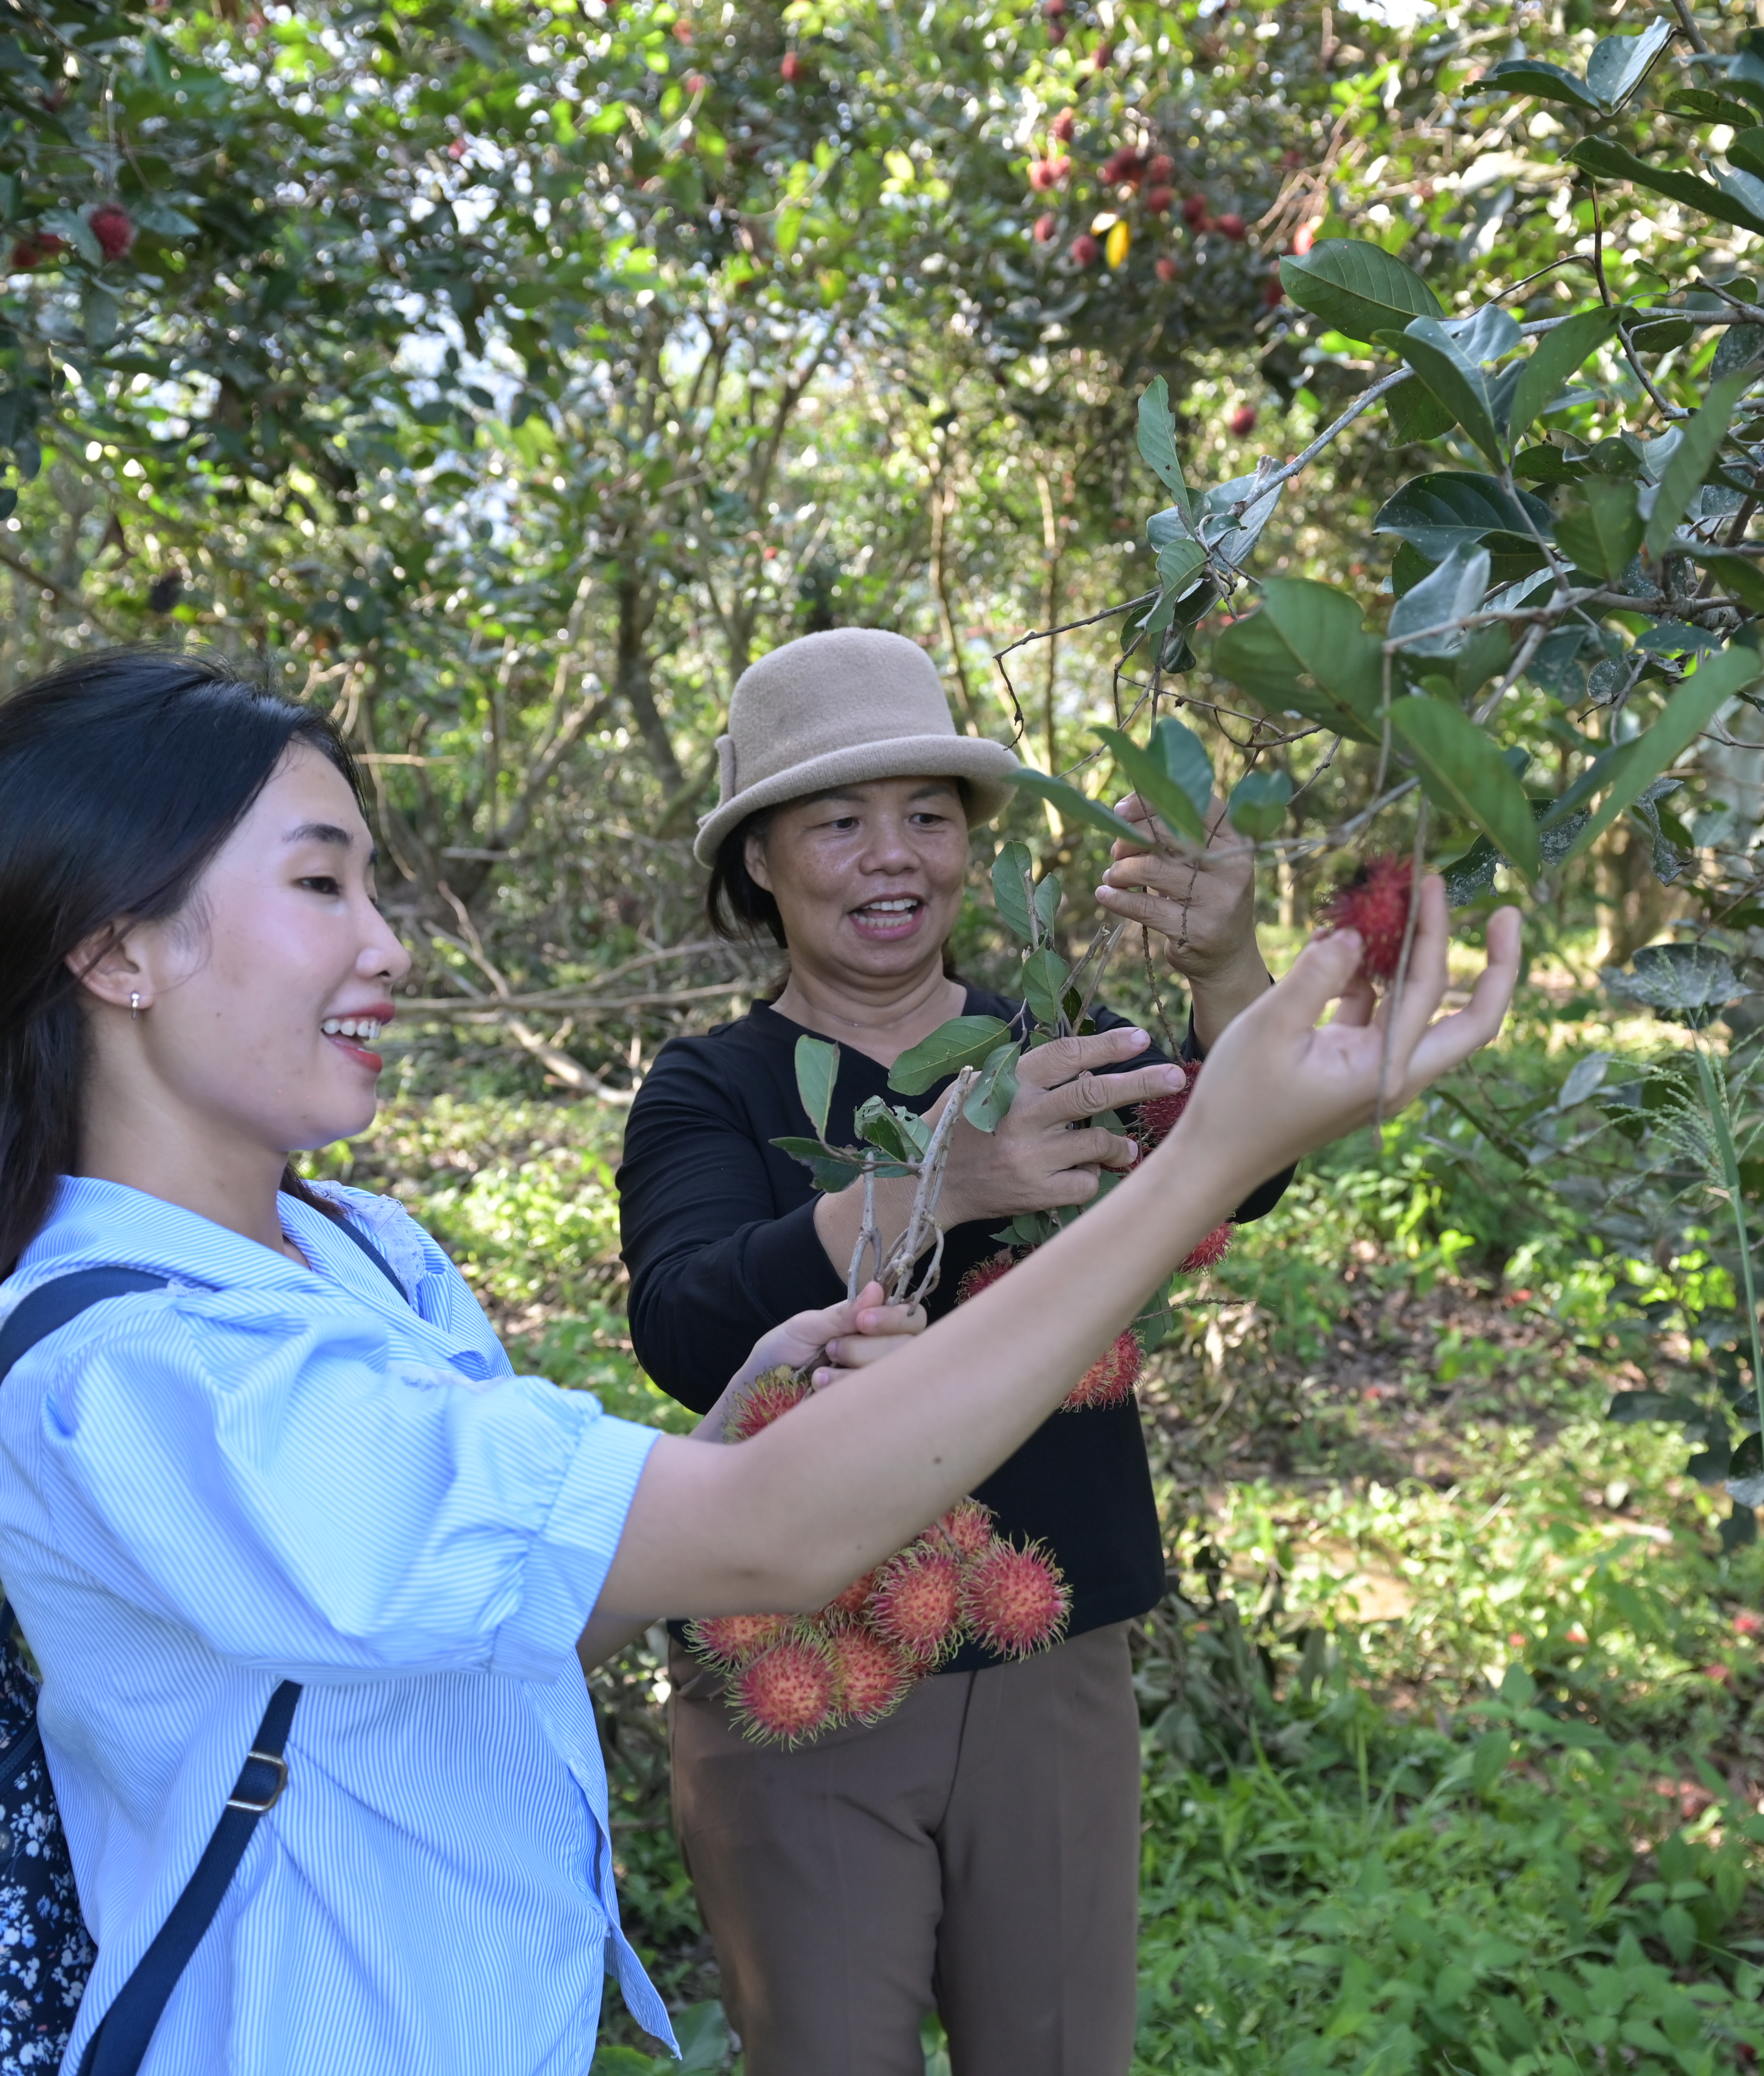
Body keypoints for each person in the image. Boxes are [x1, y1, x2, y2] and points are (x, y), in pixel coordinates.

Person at [0, 648, 1519, 2075]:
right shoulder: (157, 1376)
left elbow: (516, 1604)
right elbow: (760, 1514)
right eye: (321, 884)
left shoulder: (363, 1254)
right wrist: (1150, 1170)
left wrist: (742, 1422)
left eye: (929, 813)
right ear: (117, 949)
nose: (389, 944)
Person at [616, 627, 1286, 2075]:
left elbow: (1246, 1155)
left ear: (972, 850)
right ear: (760, 866)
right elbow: (685, 1320)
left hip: (1052, 1654)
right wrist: (939, 1179)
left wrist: (1232, 966)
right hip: (800, 1656)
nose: (890, 857)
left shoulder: (1049, 1048)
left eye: (927, 816)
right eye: (838, 822)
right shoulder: (709, 1091)